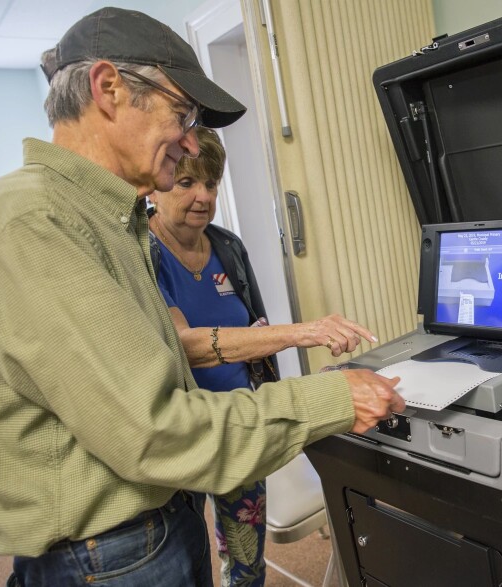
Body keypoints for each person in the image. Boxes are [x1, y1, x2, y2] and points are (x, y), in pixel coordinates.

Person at [0, 7, 404, 587]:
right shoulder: (35, 222)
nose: (189, 140)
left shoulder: (114, 224)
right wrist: (329, 398)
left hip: (156, 523)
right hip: (111, 555)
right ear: (109, 88)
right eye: (182, 113)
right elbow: (156, 430)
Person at [148, 126, 376, 585]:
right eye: (188, 182)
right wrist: (303, 332)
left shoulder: (227, 246)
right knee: (184, 563)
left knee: (246, 563)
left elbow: (255, 328)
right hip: (179, 429)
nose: (203, 196)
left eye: (211, 183)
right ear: (158, 181)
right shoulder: (144, 252)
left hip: (238, 426)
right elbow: (184, 344)